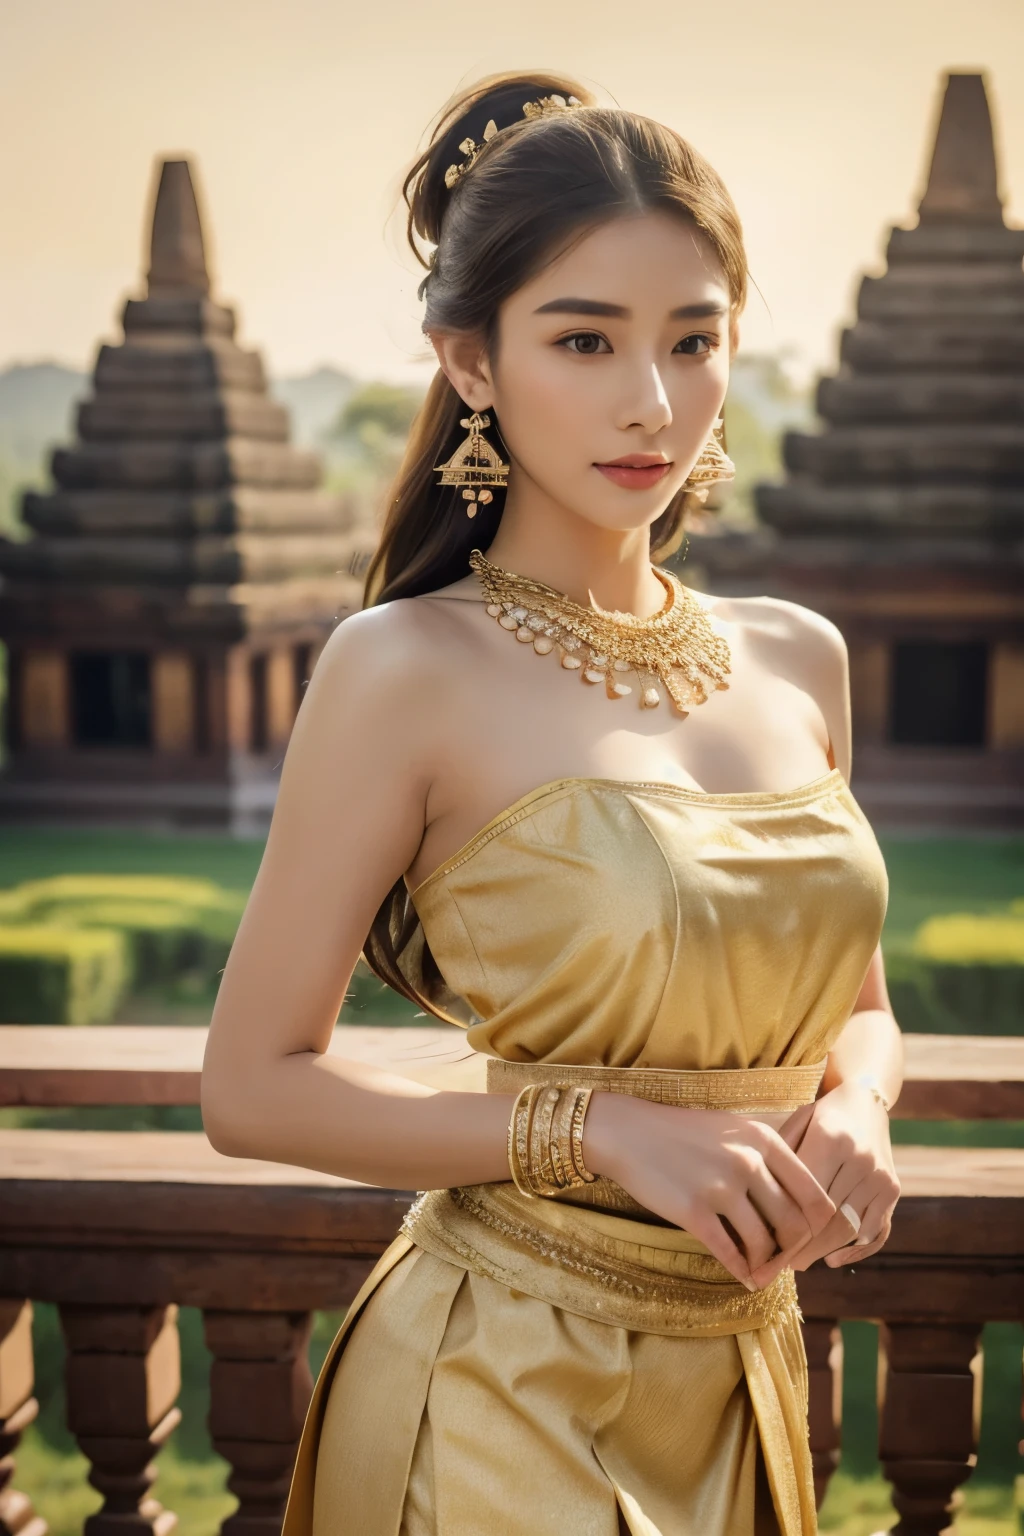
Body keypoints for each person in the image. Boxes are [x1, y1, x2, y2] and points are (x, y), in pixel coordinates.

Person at [201, 69, 903, 1536]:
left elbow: (857, 1008)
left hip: (750, 1372)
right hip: (500, 1390)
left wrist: (868, 1109)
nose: (652, 401)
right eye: (583, 339)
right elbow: (250, 1086)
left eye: (692, 340)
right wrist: (595, 1130)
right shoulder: (403, 668)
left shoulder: (797, 660)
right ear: (471, 361)